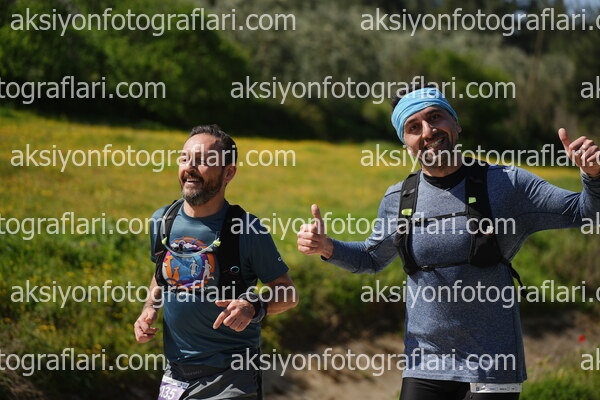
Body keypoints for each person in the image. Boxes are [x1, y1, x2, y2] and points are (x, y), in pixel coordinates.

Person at [297, 84, 600, 400]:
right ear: (406, 143)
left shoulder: (507, 183)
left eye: (435, 117)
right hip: (425, 363)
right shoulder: (399, 198)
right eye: (413, 127)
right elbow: (372, 258)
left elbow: (585, 213)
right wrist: (327, 247)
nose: (428, 131)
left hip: (493, 364)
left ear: (456, 123)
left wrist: (593, 176)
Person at [134, 124, 298, 400]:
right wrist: (150, 307)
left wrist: (253, 306)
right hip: (176, 375)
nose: (190, 167)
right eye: (185, 158)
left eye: (203, 161)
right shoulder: (163, 220)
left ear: (228, 172)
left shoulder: (246, 229)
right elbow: (161, 273)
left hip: (231, 378)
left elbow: (288, 293)